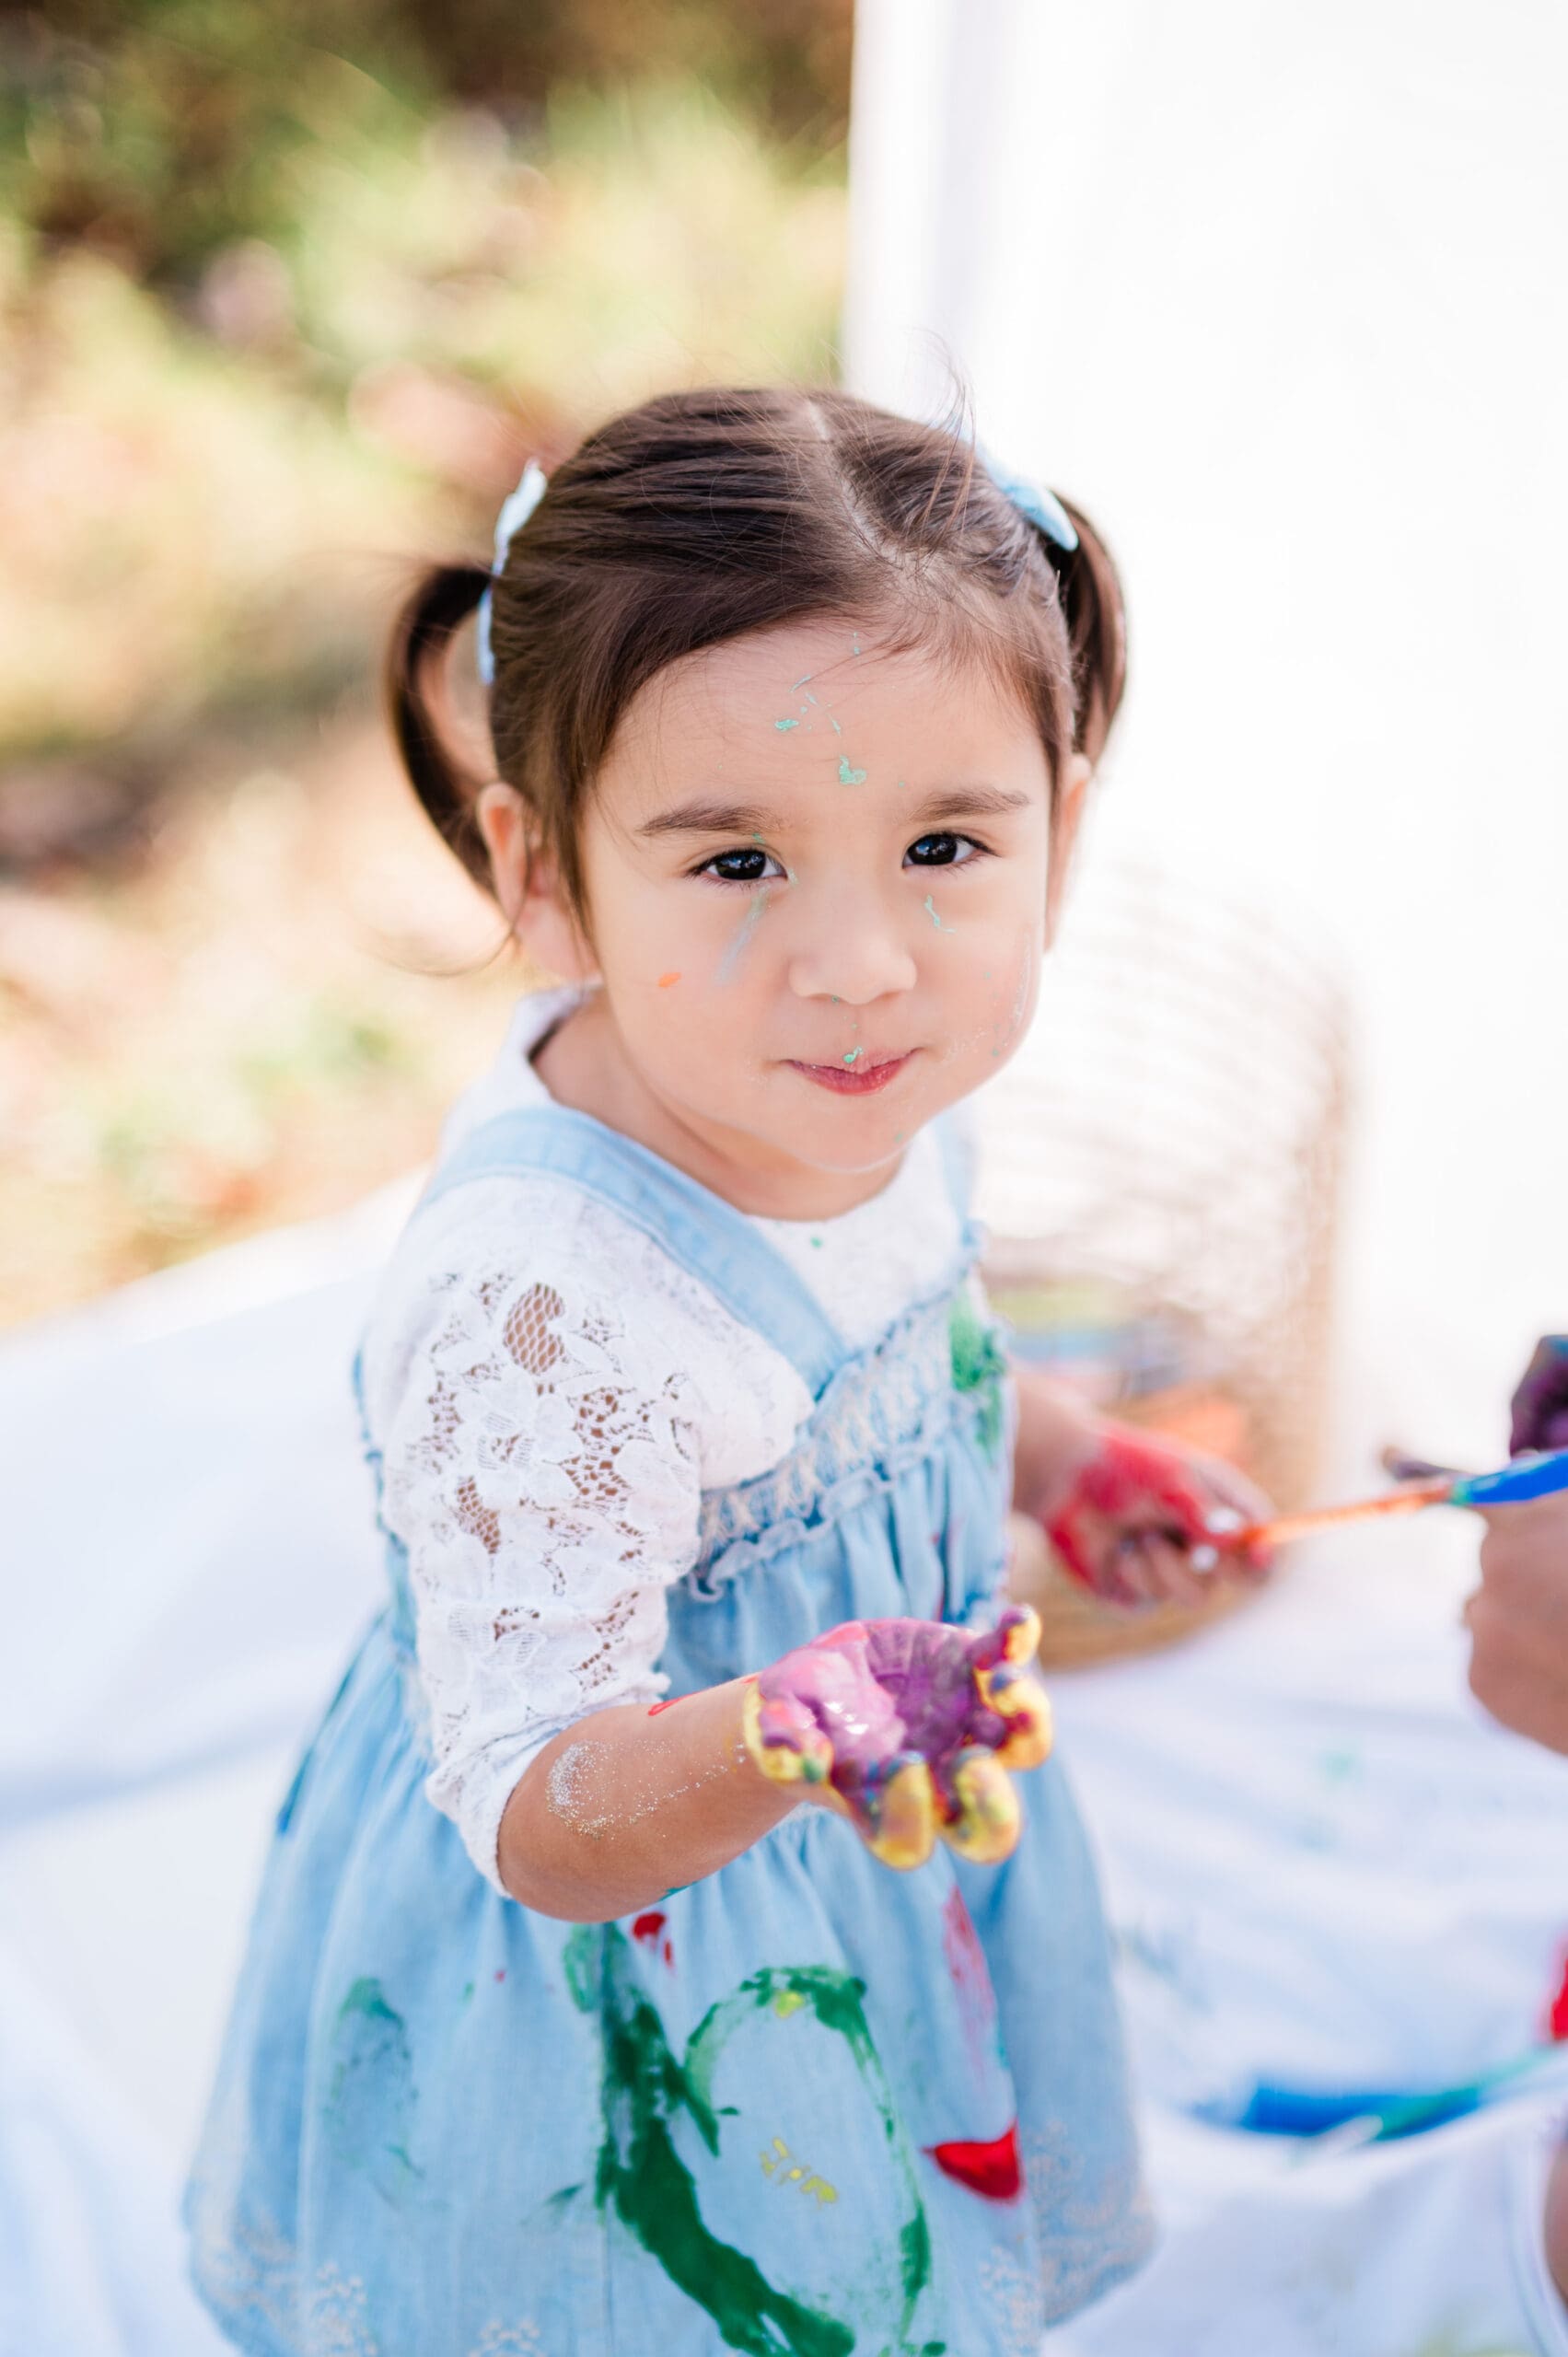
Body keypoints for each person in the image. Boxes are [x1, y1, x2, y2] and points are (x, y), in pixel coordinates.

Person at [183, 386, 1268, 2357]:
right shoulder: (546, 1310)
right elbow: (538, 1803)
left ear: (1060, 829)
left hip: (852, 1859)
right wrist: (779, 1726)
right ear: (541, 876)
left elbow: (892, 1345)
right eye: (739, 862)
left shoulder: (863, 1088)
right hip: (635, 1966)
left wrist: (1055, 1453)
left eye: (944, 844)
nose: (862, 960)